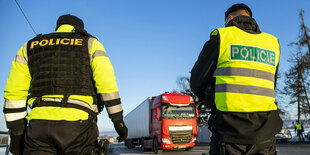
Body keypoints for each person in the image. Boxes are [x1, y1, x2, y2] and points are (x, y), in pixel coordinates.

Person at [3, 14, 128, 154]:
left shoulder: (29, 46)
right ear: (79, 28)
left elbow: (14, 94)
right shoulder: (90, 44)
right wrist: (118, 121)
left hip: (38, 127)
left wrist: (16, 134)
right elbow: (107, 86)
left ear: (58, 28)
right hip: (79, 127)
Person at [190, 3, 283, 155]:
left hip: (229, 133)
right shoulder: (272, 43)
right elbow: (271, 84)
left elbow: (196, 82)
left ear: (230, 18)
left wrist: (207, 99)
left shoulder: (222, 36)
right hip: (265, 133)